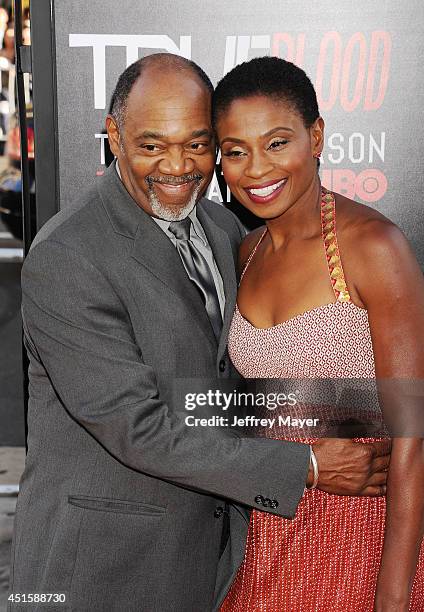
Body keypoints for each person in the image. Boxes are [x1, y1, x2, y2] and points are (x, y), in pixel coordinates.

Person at [10, 54, 390, 612]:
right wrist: (308, 466)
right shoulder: (69, 256)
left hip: (214, 561)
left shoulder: (223, 227)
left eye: (197, 144)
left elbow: (233, 389)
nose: (177, 165)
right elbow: (139, 428)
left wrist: (380, 414)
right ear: (113, 136)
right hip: (103, 568)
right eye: (151, 145)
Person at [212, 56, 424, 611]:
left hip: (360, 536)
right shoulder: (246, 251)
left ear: (317, 136)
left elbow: (413, 437)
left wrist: (393, 596)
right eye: (234, 151)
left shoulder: (374, 247)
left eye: (277, 142)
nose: (256, 168)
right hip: (264, 537)